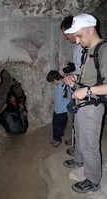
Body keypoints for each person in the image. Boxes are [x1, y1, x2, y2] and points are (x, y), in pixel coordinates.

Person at [62, 13, 107, 194]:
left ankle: (93, 180)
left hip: (93, 105)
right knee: (79, 136)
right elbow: (90, 77)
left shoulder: (104, 50)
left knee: (90, 145)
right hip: (83, 103)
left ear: (91, 29)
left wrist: (87, 91)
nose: (77, 40)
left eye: (79, 35)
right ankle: (79, 159)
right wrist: (75, 79)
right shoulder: (90, 49)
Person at [60, 15, 83, 156]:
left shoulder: (83, 45)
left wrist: (73, 75)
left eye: (65, 33)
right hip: (75, 85)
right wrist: (72, 66)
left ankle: (78, 148)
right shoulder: (76, 46)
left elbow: (87, 71)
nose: (65, 37)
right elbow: (79, 66)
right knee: (73, 117)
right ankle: (75, 140)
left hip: (82, 87)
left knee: (80, 120)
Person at [46, 70, 70, 147]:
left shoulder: (65, 85)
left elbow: (70, 97)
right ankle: (55, 137)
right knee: (54, 124)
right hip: (56, 108)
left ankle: (58, 139)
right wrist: (54, 99)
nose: (53, 84)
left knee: (60, 126)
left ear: (56, 80)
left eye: (53, 82)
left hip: (62, 110)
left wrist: (65, 95)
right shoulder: (57, 84)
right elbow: (57, 94)